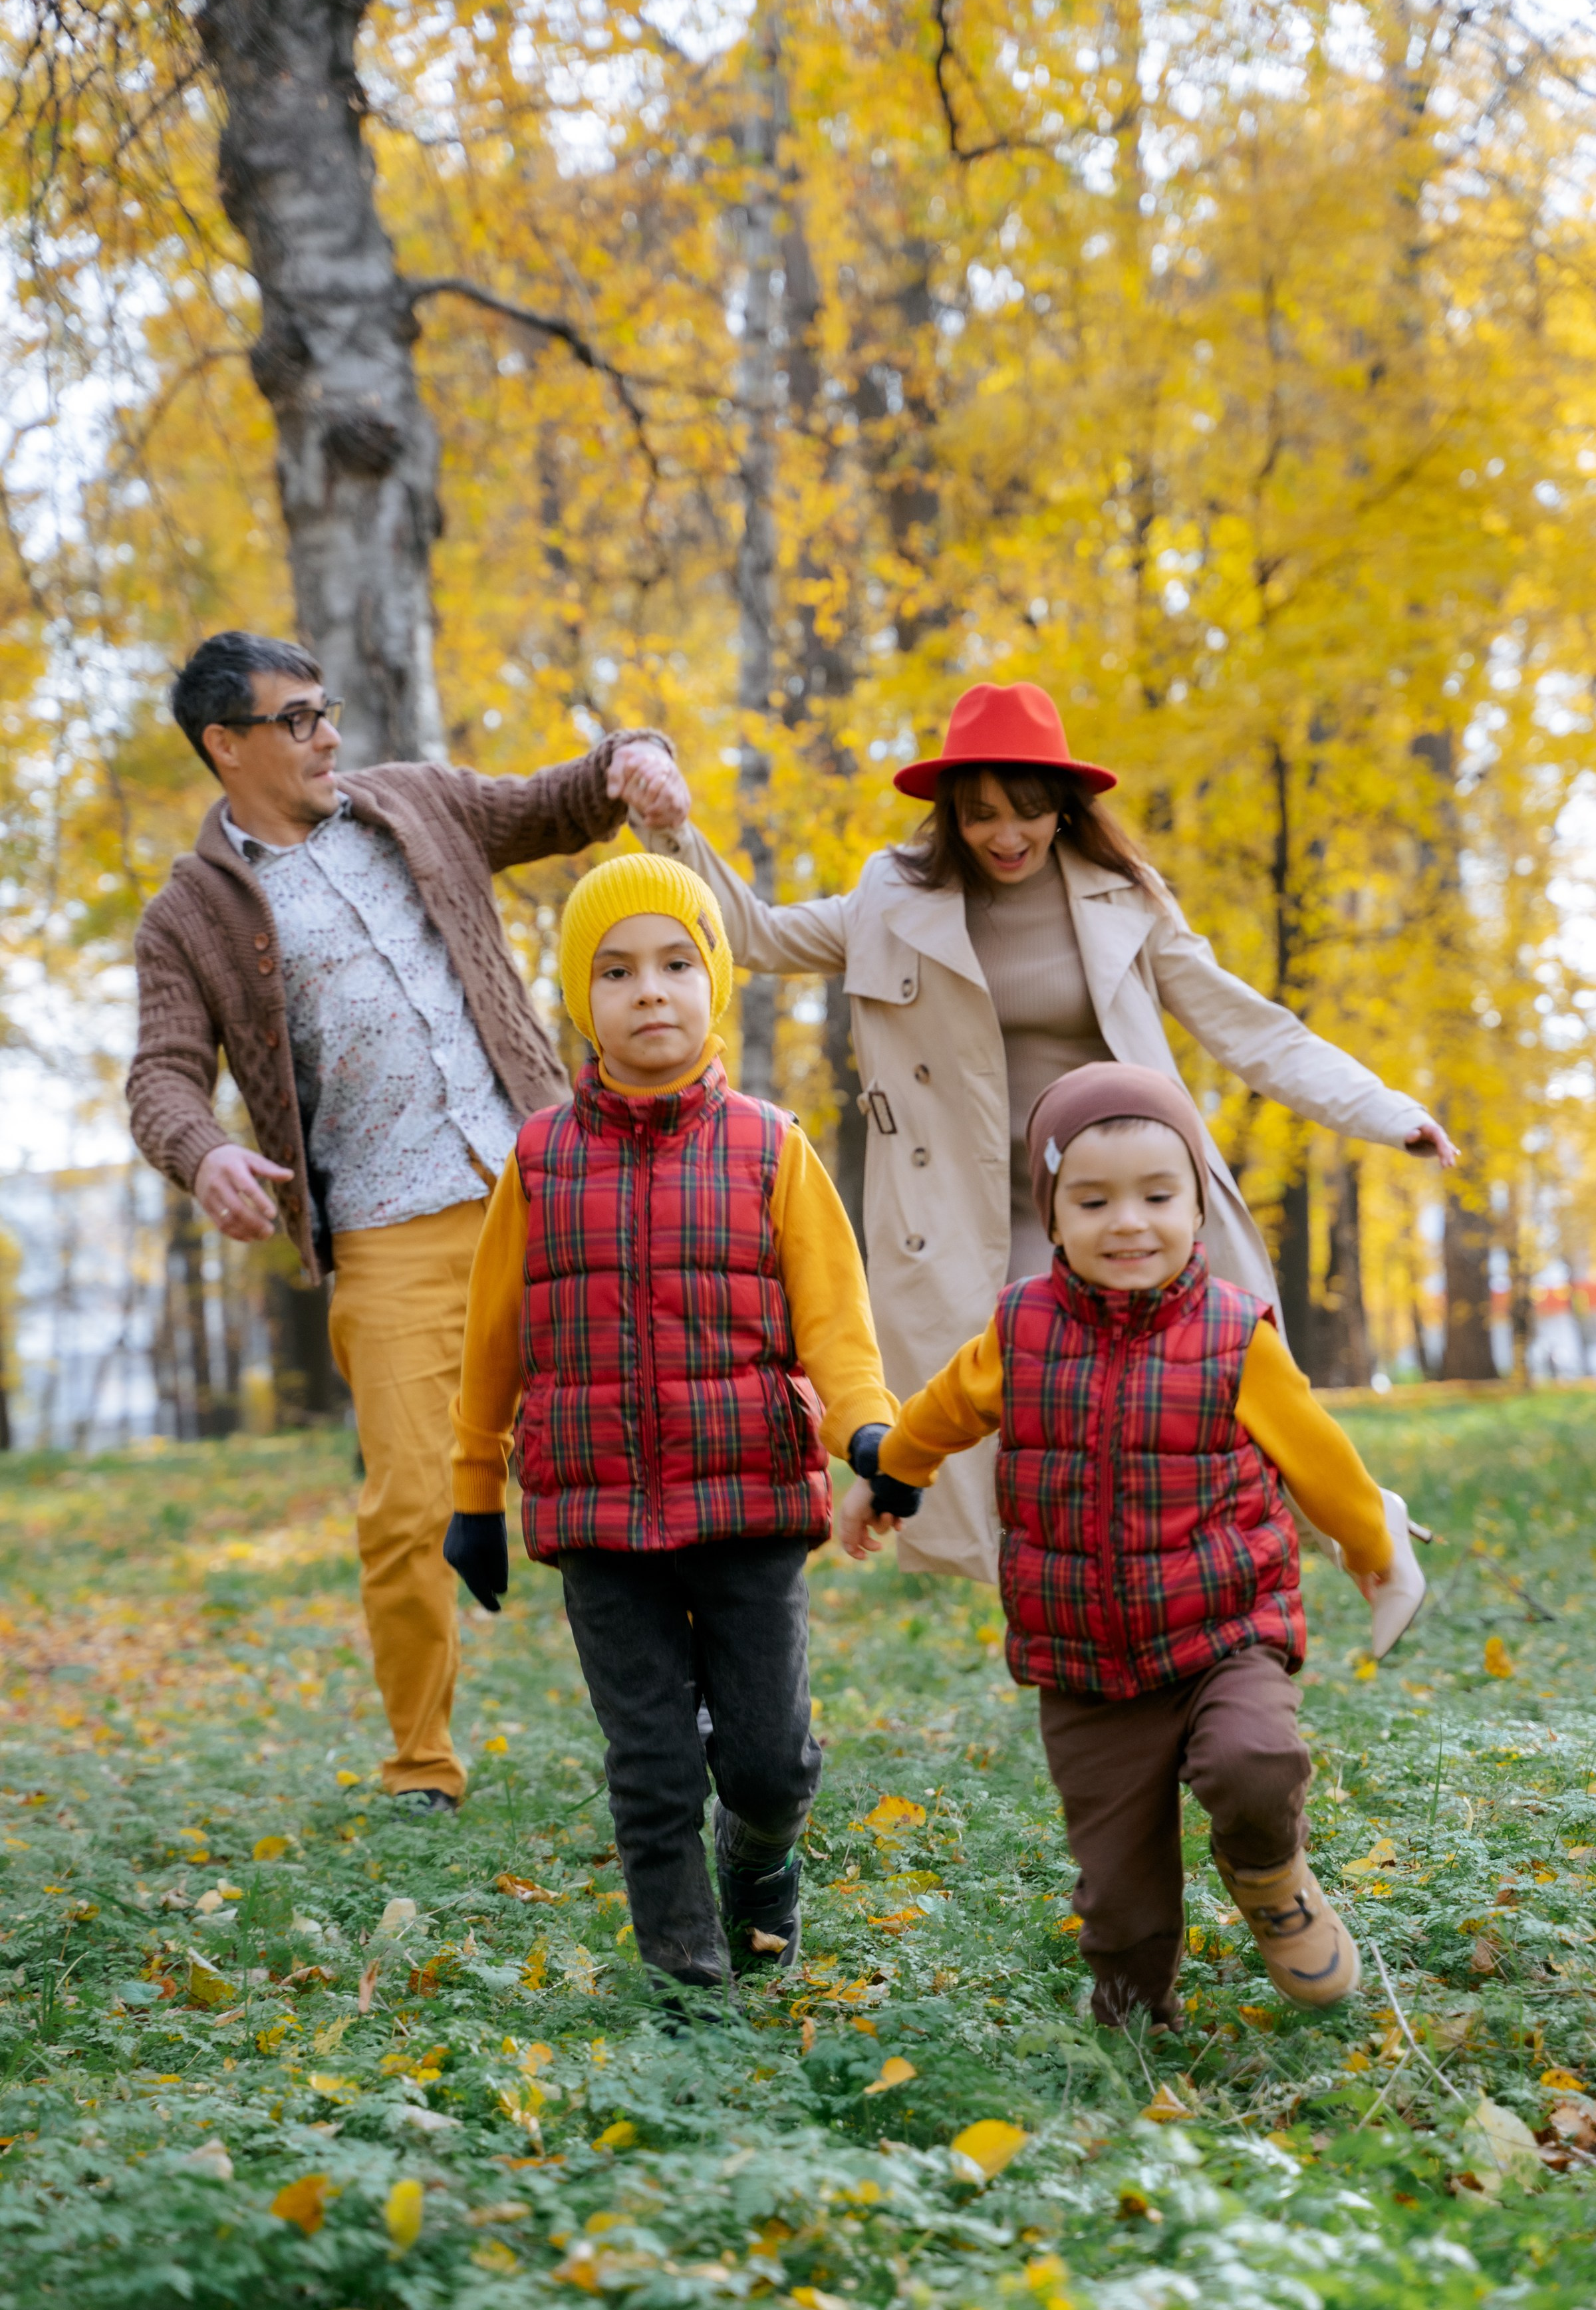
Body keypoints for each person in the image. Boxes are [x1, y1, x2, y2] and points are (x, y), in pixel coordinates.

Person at [638, 681, 1456, 1585]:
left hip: (1121, 1186)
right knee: (1039, 1399)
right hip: (979, 1213)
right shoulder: (890, 900)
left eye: (1027, 810)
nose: (1006, 834)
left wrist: (1386, 1110)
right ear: (952, 814)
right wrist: (673, 833)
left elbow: (1249, 1029)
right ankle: (1090, 1586)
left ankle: (1354, 1529)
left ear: (1064, 809)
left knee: (1219, 1383)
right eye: (982, 813)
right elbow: (748, 934)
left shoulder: (1125, 904)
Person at [126, 630, 689, 1813]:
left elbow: (556, 801)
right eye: (296, 720)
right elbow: (163, 1076)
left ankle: (697, 1705)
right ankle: (422, 1765)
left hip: (551, 1185)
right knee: (407, 1507)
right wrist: (209, 1149)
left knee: (642, 1445)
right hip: (388, 1234)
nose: (328, 735)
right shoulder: (188, 917)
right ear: (225, 746)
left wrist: (633, 759)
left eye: (325, 710)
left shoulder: (417, 804)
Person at [840, 1062, 1400, 2031]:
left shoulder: (1236, 1337)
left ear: (1196, 1205)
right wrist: (892, 1476)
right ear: (1052, 1217)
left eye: (1157, 1194)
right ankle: (1135, 2024)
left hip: (1227, 1631)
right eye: (1092, 1200)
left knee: (1255, 1764)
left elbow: (1323, 1460)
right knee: (1120, 1888)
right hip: (1087, 1668)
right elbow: (939, 1414)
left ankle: (1270, 1876)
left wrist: (1370, 1548)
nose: (1128, 1222)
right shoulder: (1021, 1329)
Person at [447, 854, 904, 2006]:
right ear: (579, 1002)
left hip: (747, 1495)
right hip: (597, 1512)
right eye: (616, 971)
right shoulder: (541, 1157)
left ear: (717, 984)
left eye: (675, 964)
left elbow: (837, 1325)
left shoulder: (769, 1147)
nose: (649, 992)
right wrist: (470, 1494)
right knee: (651, 1766)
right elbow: (493, 1338)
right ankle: (687, 1975)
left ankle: (763, 1855)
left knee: (767, 1761)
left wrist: (866, 1435)